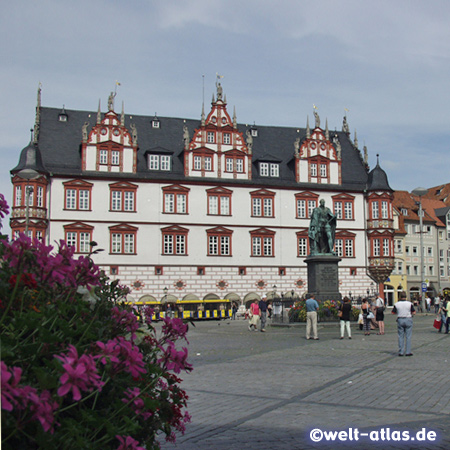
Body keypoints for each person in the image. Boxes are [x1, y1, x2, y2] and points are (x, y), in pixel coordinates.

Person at [392, 291, 415, 356]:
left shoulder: (397, 304)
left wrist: (399, 313)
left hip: (400, 319)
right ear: (406, 296)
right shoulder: (409, 304)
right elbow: (414, 312)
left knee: (400, 336)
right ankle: (408, 351)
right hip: (408, 319)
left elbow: (393, 312)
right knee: (408, 336)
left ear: (400, 297)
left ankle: (401, 351)